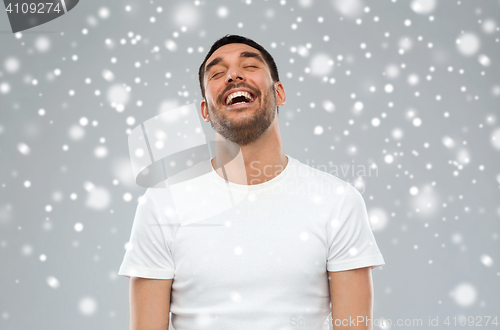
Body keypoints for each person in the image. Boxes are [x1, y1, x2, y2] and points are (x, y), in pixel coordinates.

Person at [118, 34, 385, 330]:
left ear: (279, 93)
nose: (233, 75)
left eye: (249, 66)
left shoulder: (337, 201)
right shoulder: (163, 204)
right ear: (205, 110)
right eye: (217, 74)